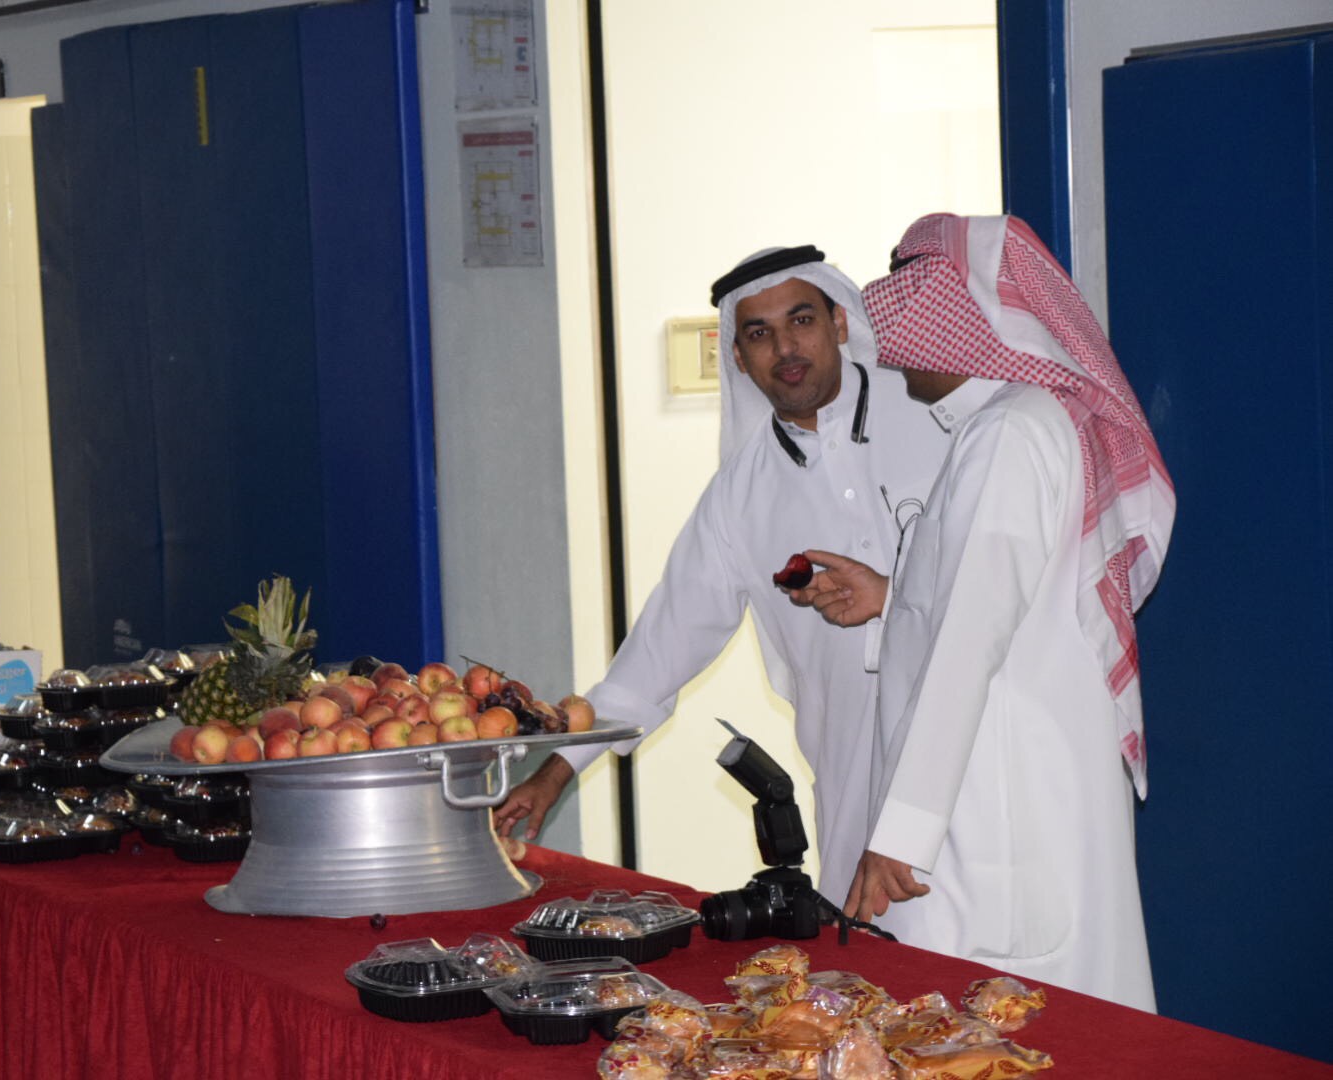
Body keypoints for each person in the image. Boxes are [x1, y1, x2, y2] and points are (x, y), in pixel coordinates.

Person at [491, 246, 951, 904]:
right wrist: (555, 772)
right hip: (857, 785)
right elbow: (658, 651)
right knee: (883, 958)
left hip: (978, 756)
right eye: (759, 334)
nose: (785, 348)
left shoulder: (937, 418)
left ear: (840, 322)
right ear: (736, 356)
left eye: (801, 321)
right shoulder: (740, 495)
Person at [809, 213, 1174, 1010]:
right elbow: (1002, 602)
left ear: (964, 321)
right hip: (1014, 792)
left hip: (993, 813)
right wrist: (890, 598)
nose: (891, 344)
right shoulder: (1022, 423)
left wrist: (901, 835)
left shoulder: (1010, 434)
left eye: (910, 312)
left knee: (997, 1032)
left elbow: (969, 640)